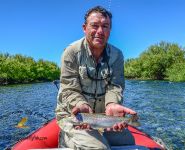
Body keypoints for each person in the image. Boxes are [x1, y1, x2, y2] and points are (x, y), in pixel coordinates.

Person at [55, 6, 137, 150]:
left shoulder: (117, 55)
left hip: (102, 117)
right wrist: (80, 105)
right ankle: (65, 138)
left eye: (105, 26)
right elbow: (69, 88)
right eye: (94, 25)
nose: (100, 31)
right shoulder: (71, 52)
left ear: (110, 30)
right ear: (84, 27)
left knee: (128, 142)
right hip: (75, 117)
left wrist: (112, 104)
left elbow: (115, 87)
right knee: (99, 148)